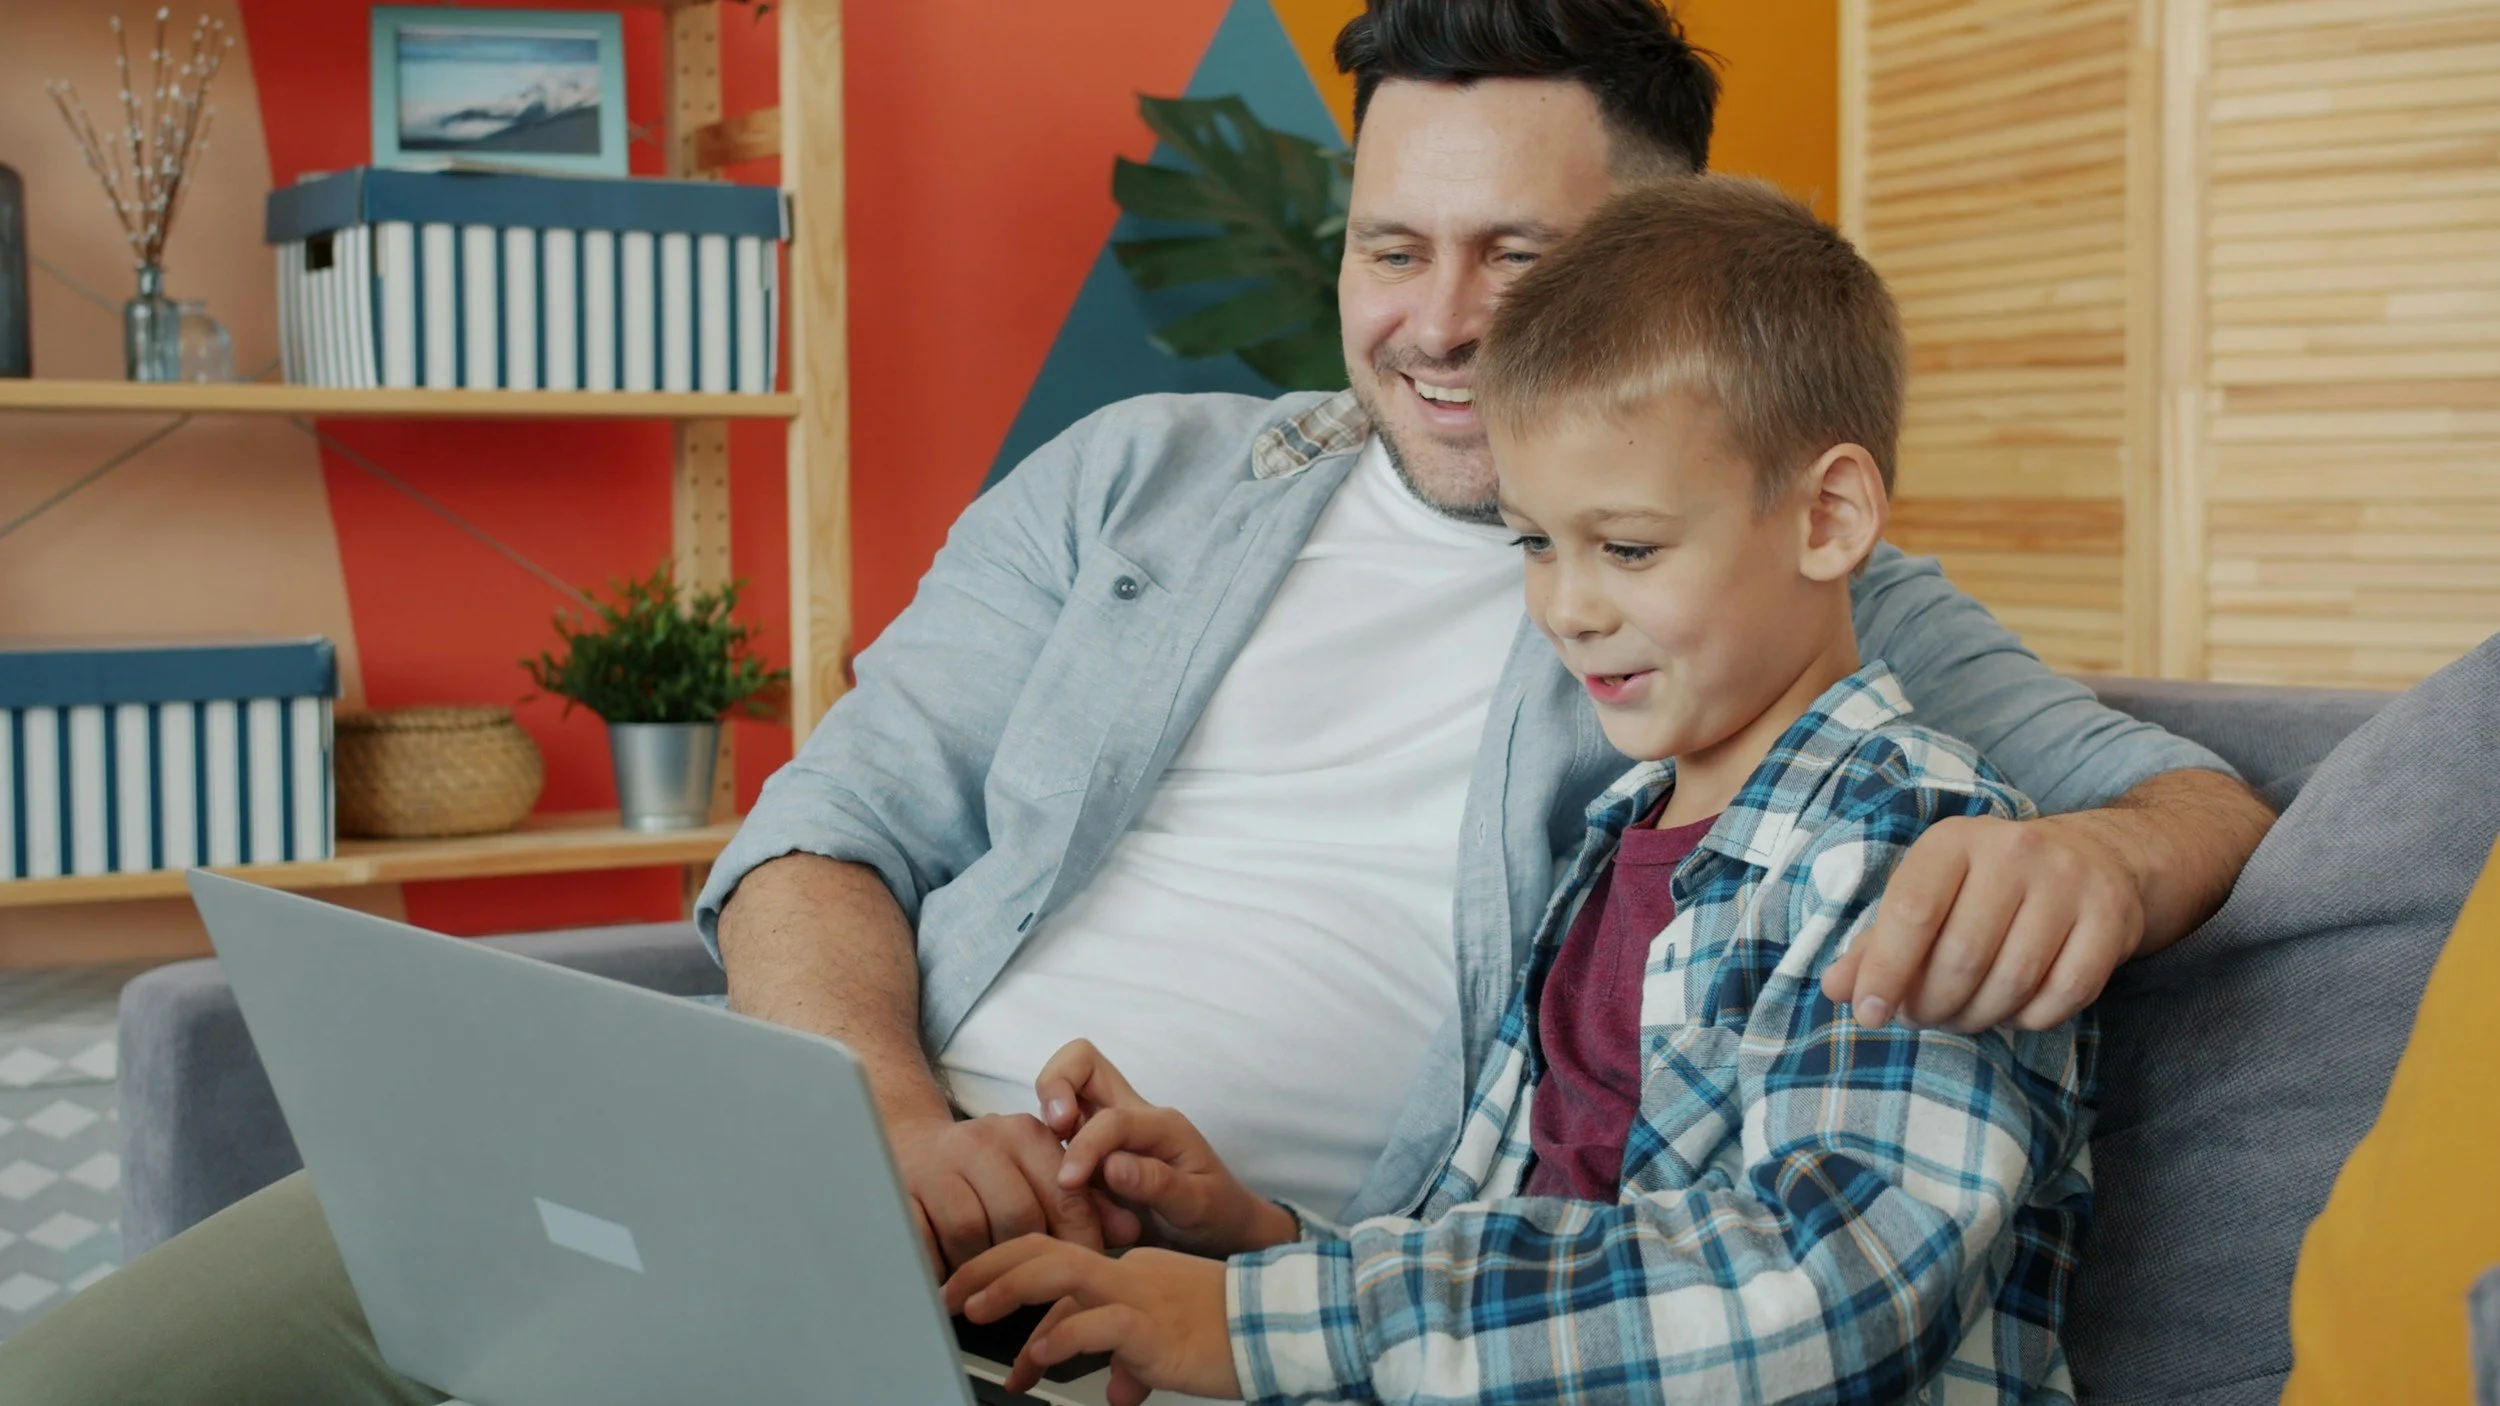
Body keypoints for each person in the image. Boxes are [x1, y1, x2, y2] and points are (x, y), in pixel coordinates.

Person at [0, 1, 2265, 1399]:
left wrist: (2074, 856)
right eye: (1393, 245)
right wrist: (874, 1111)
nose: (1441, 319)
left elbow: (2183, 797)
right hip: (818, 1152)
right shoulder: (1142, 478)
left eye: (1528, 261)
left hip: (1156, 1293)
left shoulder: (1767, 589)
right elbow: (826, 821)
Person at [945, 173, 2093, 1406]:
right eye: (1534, 543)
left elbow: (1836, 1287)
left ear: (1828, 515)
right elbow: (1513, 1239)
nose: (1567, 606)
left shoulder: (1911, 847)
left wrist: (1273, 1320)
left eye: (1630, 547)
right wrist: (1262, 1239)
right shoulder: (1618, 828)